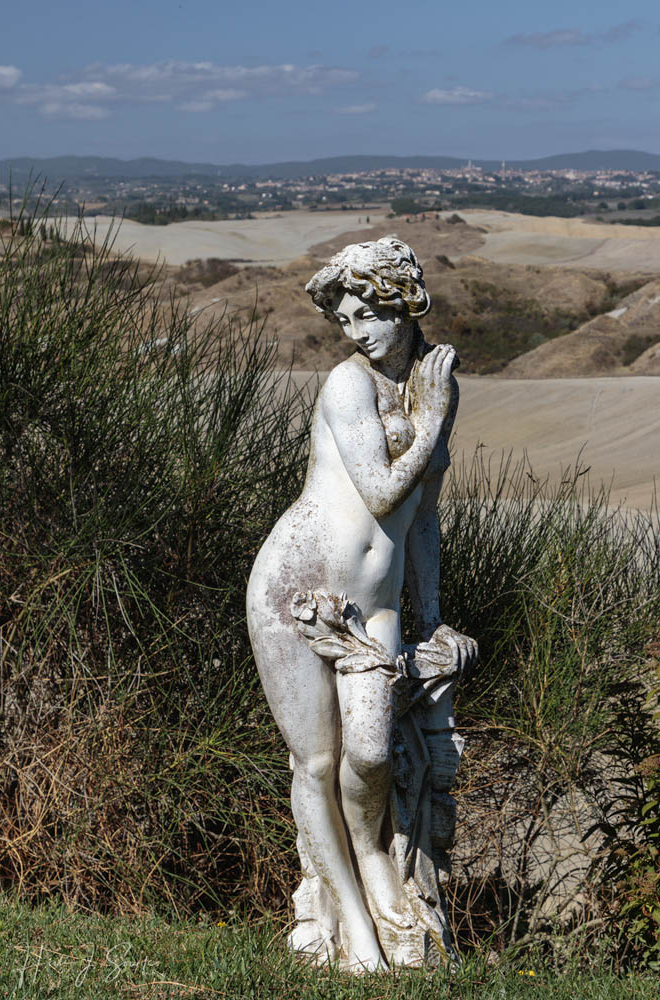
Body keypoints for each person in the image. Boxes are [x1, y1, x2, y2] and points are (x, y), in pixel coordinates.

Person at [246, 236, 473, 970]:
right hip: (295, 588)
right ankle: (352, 929)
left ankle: (379, 873)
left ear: (403, 304)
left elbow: (424, 520)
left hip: (373, 606)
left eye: (368, 313)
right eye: (345, 319)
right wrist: (432, 420)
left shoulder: (434, 384)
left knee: (369, 755)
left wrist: (430, 615)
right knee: (314, 761)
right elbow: (379, 490)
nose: (357, 331)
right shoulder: (348, 384)